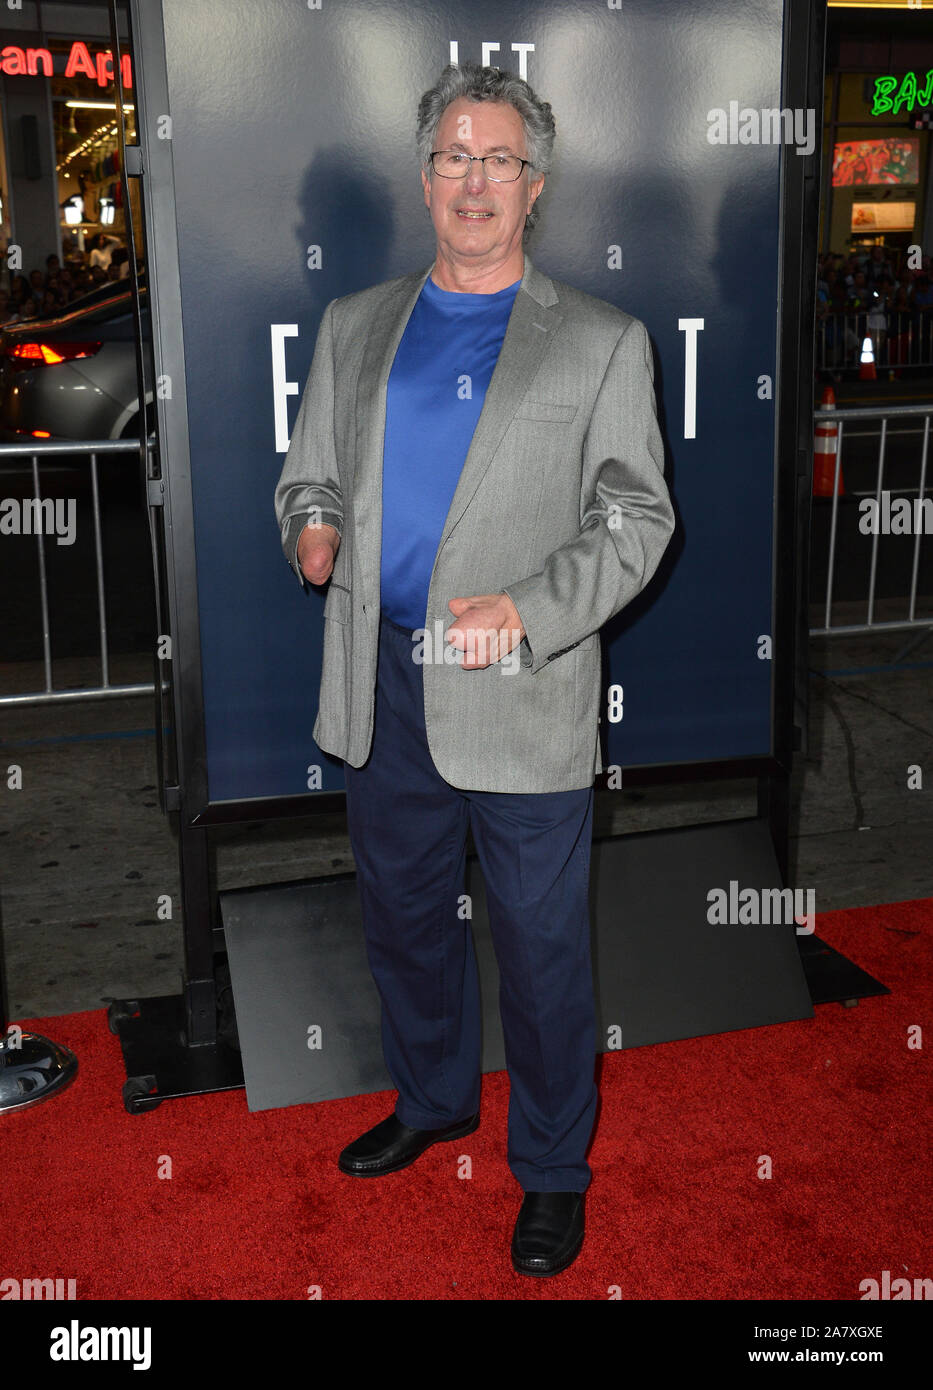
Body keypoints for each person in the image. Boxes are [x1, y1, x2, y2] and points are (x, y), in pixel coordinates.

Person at [274, 61, 675, 1278]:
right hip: (386, 679)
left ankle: (553, 1168)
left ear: (536, 186)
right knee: (403, 925)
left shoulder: (603, 341)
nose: (474, 179)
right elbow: (311, 473)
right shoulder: (355, 323)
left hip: (519, 687)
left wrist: (532, 608)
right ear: (424, 176)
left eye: (499, 159)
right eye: (454, 156)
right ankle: (436, 1096)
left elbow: (637, 519)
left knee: (545, 951)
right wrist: (311, 523)